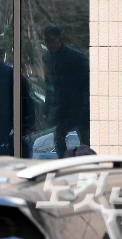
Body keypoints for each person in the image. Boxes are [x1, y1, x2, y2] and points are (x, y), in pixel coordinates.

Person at [41, 26, 90, 158]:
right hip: (61, 107)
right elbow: (48, 84)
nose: (48, 44)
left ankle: (88, 165)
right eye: (45, 41)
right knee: (59, 138)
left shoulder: (76, 58)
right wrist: (47, 106)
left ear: (60, 39)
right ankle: (65, 165)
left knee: (85, 140)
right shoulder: (46, 57)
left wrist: (86, 107)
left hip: (78, 105)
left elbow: (87, 83)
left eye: (51, 40)